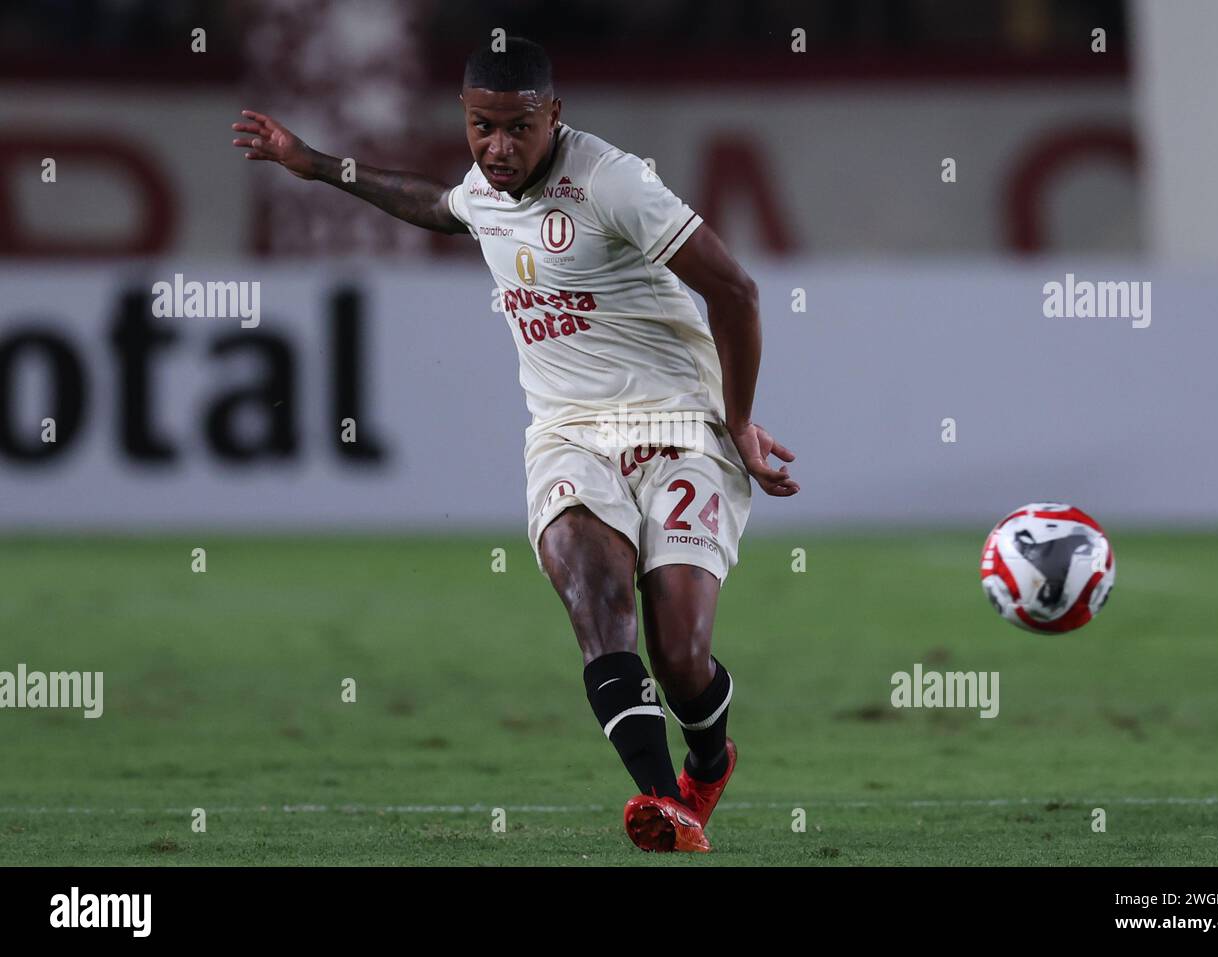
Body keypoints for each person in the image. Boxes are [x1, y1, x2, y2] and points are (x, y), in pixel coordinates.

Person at [232, 36, 798, 853]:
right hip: (568, 436)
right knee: (599, 610)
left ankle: (708, 758)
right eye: (480, 127)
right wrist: (315, 163)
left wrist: (737, 422)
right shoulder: (484, 188)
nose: (496, 149)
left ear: (555, 116)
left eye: (516, 128)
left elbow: (736, 292)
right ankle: (659, 799)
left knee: (680, 655)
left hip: (678, 427)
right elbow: (435, 203)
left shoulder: (613, 182)